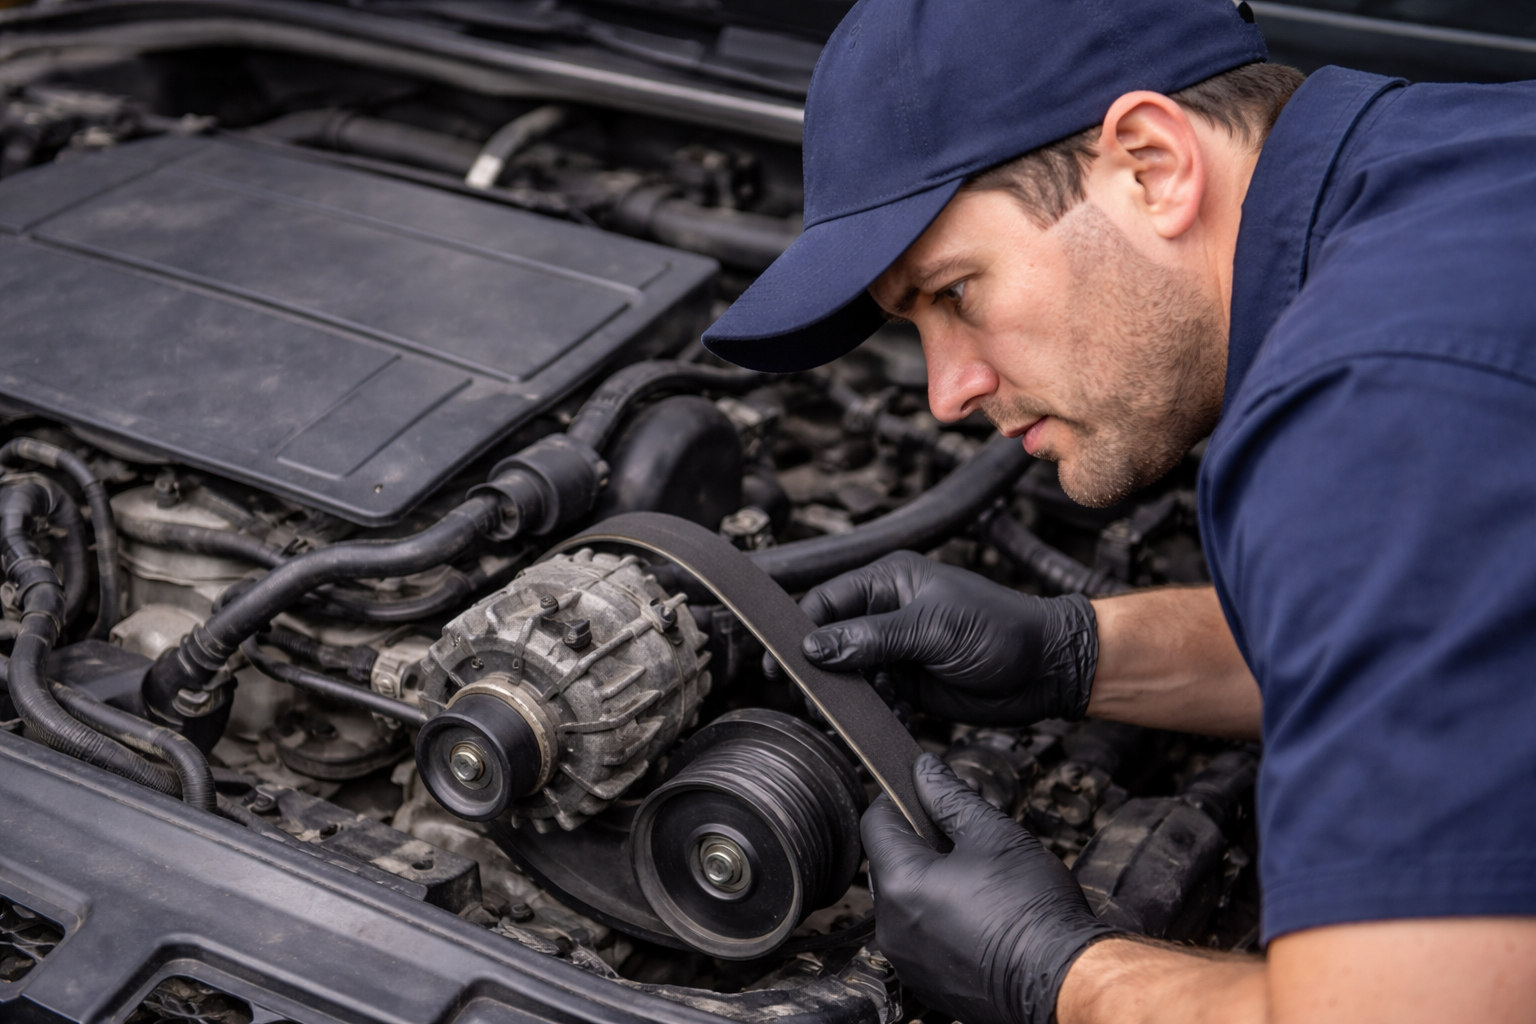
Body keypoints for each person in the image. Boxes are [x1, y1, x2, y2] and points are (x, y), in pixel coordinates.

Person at [699, 2, 1536, 1022]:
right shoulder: (1463, 158)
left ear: (1151, 166)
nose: (946, 393)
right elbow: (1436, 633)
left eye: (955, 293)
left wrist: (1055, 971)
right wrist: (1075, 653)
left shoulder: (1373, 410)